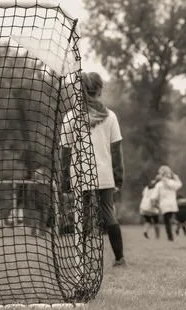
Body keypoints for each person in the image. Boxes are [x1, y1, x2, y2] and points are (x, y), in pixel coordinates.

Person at [61, 72, 126, 267]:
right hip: (104, 174)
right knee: (108, 213)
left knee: (82, 215)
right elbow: (116, 151)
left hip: (79, 173)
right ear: (99, 89)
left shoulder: (71, 116)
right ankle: (120, 258)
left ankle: (81, 259)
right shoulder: (110, 116)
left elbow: (64, 152)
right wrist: (119, 178)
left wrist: (64, 179)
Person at [150, 165, 182, 241]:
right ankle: (177, 224)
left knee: (167, 222)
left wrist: (153, 203)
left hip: (164, 205)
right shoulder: (172, 183)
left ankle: (170, 237)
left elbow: (154, 196)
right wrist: (176, 177)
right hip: (172, 204)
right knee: (171, 218)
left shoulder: (159, 184)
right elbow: (179, 184)